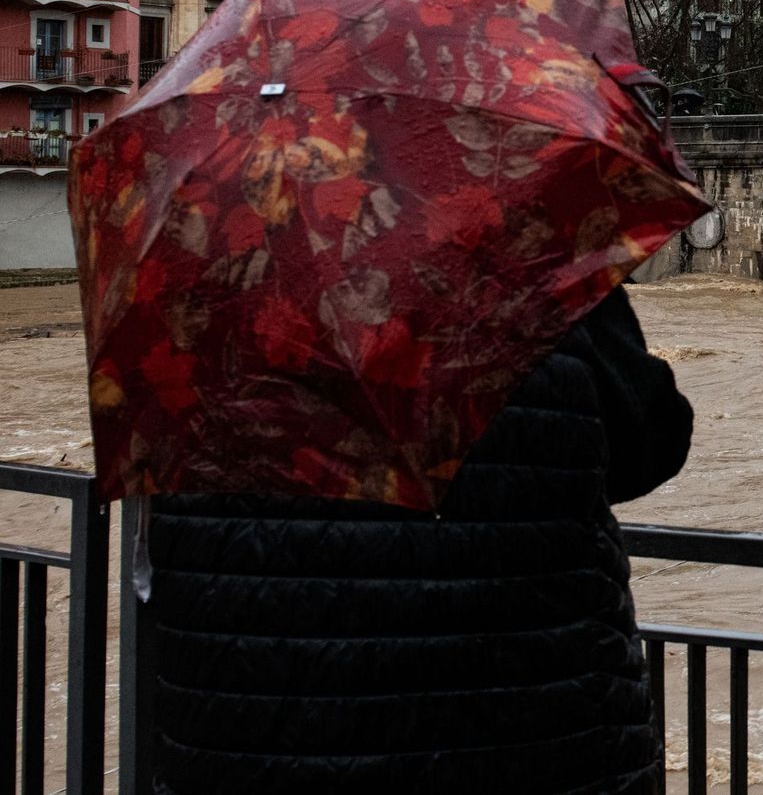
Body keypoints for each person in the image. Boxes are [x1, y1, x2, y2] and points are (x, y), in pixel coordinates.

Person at [145, 286, 691, 795]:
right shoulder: (539, 271)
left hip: (241, 744)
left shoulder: (195, 314)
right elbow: (649, 447)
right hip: (525, 732)